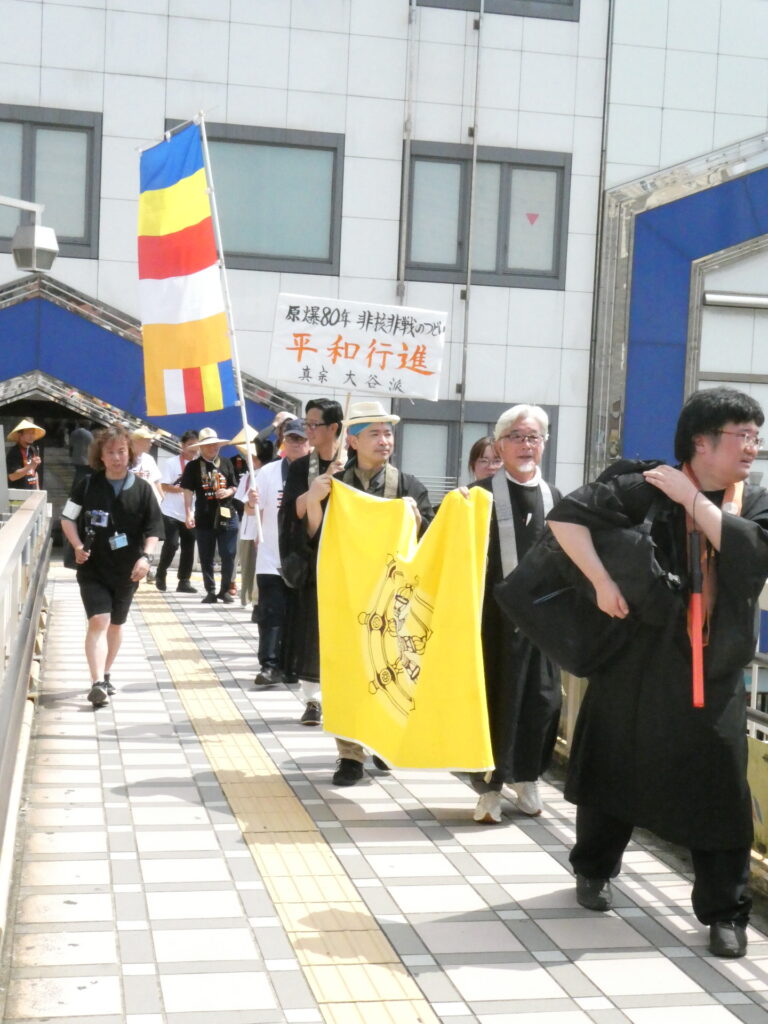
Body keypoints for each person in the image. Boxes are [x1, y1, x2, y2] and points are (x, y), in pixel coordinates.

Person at [547, 387, 768, 959]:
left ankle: (725, 912)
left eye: (756, 435)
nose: (753, 446)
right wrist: (601, 582)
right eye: (742, 435)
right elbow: (565, 518)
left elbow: (753, 555)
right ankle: (594, 868)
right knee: (613, 764)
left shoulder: (753, 500)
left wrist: (691, 499)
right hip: (637, 660)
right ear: (701, 442)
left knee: (722, 787)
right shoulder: (645, 484)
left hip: (713, 670)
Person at [304, 400, 435, 785]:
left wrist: (414, 520)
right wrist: (313, 500)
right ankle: (349, 755)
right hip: (346, 597)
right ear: (353, 441)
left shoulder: (408, 486)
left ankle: (382, 740)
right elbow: (316, 540)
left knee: (388, 672)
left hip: (391, 601)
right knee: (346, 674)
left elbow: (426, 543)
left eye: (388, 433)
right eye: (375, 433)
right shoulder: (336, 485)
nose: (384, 441)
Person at [469, 405, 562, 824]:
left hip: (542, 621)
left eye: (533, 437)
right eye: (517, 437)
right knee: (493, 698)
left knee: (542, 701)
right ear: (500, 445)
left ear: (544, 444)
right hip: (490, 620)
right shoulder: (477, 496)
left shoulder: (556, 498)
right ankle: (489, 788)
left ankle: (527, 778)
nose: (526, 445)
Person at [60, 425, 163, 708]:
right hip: (92, 566)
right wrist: (77, 545)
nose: (117, 457)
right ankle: (96, 683)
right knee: (99, 620)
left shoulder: (142, 489)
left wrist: (146, 557)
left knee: (116, 624)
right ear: (101, 456)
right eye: (110, 452)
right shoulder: (87, 485)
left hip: (128, 569)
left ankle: (105, 674)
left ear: (130, 453)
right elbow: (67, 518)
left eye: (121, 451)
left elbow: (154, 528)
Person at [279, 398, 345, 721]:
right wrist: (314, 493)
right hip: (312, 559)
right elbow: (291, 511)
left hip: (349, 559)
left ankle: (343, 696)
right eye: (306, 424)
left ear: (334, 428)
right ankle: (313, 699)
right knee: (310, 628)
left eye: (313, 424)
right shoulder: (301, 467)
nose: (308, 430)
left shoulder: (353, 464)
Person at [250, 419, 310, 686]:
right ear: (284, 441)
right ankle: (269, 665)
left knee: (297, 615)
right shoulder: (268, 472)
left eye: (301, 439)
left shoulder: (317, 473)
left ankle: (291, 666)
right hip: (270, 554)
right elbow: (253, 510)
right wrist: (251, 505)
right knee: (271, 613)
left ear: (310, 442)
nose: (295, 443)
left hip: (302, 556)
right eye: (291, 438)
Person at [181, 427, 239, 604]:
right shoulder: (193, 466)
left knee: (228, 554)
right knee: (206, 555)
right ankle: (210, 590)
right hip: (204, 515)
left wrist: (228, 492)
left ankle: (225, 589)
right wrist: (188, 513)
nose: (213, 448)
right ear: (201, 447)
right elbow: (187, 491)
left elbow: (234, 485)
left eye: (215, 444)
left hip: (227, 514)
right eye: (209, 445)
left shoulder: (226, 462)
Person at [156, 429, 199, 594]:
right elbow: (164, 486)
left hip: (191, 512)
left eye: (196, 445)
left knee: (189, 546)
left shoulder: (200, 465)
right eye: (190, 445)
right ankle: (161, 572)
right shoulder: (172, 463)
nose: (193, 448)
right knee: (172, 544)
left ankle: (184, 581)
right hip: (171, 511)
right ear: (182, 445)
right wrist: (183, 489)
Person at [6, 418, 44, 489]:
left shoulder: (32, 450)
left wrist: (38, 490)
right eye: (29, 433)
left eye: (33, 433)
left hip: (32, 491)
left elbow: (35, 472)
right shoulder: (14, 452)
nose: (32, 436)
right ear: (20, 435)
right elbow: (12, 476)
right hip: (18, 493)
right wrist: (30, 466)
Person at [130, 426, 164, 505]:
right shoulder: (124, 457)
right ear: (138, 441)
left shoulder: (149, 459)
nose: (151, 444)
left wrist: (163, 497)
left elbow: (156, 480)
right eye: (148, 441)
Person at [69, 420, 94, 487]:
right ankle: (76, 489)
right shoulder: (89, 434)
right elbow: (92, 446)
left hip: (76, 457)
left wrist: (70, 454)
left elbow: (71, 445)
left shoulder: (74, 432)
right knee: (80, 476)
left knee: (78, 475)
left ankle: (76, 488)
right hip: (85, 459)